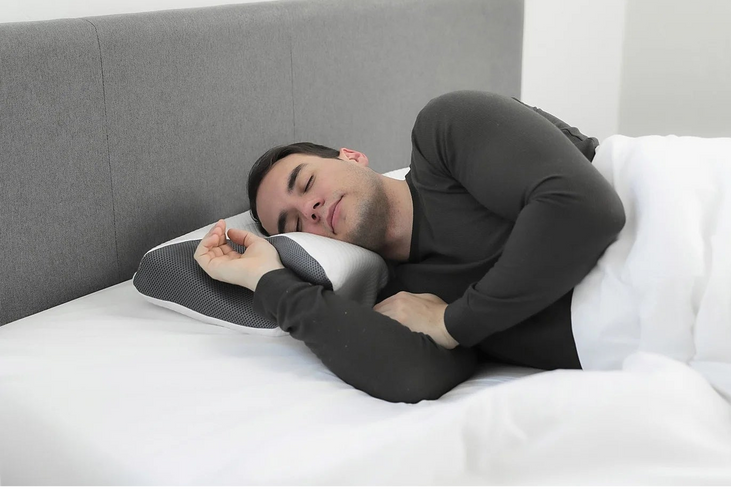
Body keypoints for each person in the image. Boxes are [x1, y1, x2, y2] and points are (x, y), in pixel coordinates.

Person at [194, 90, 626, 402]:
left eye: (306, 182)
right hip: (647, 339)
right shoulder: (403, 298)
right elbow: (412, 377)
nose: (311, 208)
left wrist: (453, 323)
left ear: (351, 156)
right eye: (294, 224)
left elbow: (586, 210)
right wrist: (268, 279)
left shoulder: (446, 132)